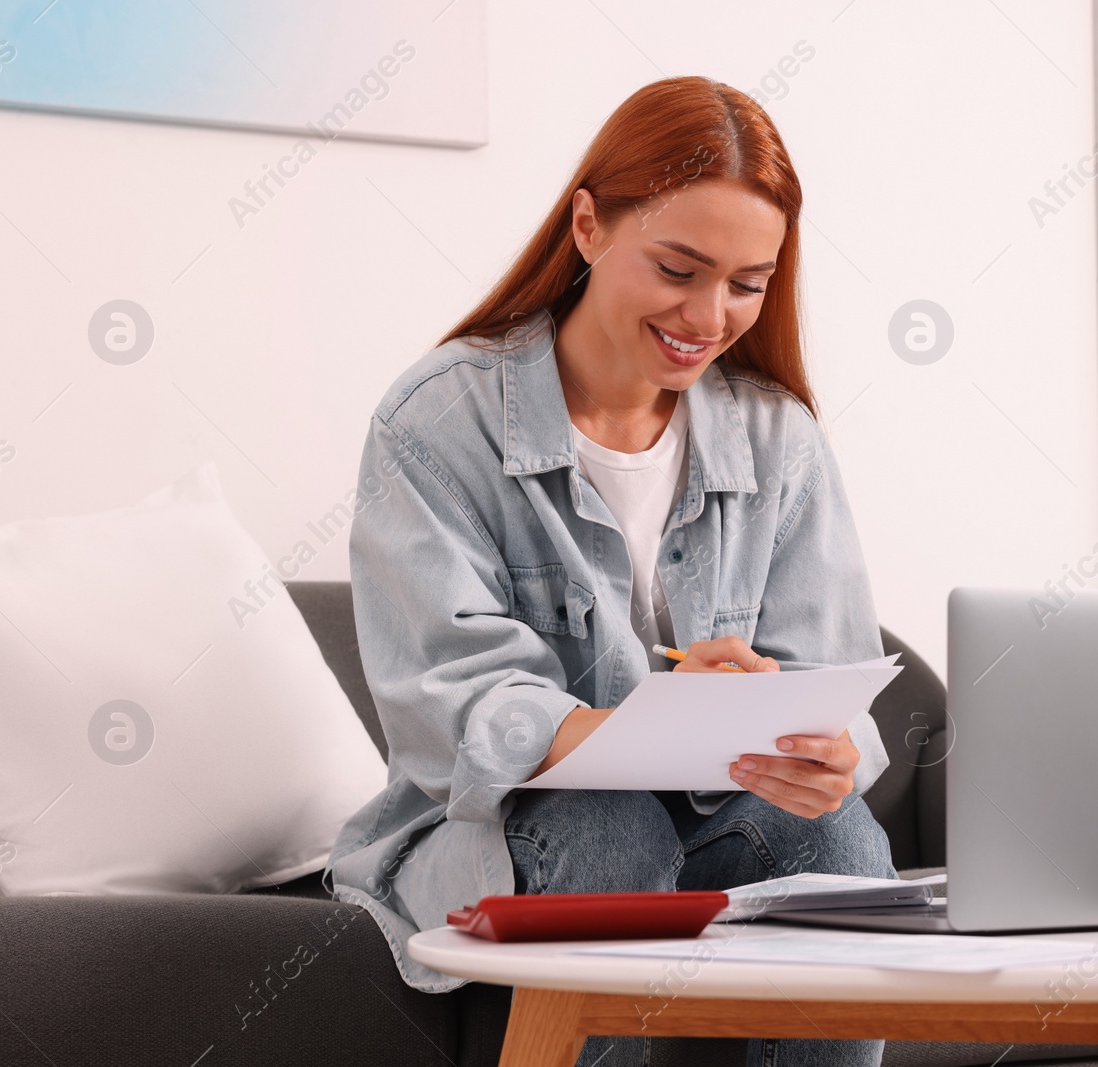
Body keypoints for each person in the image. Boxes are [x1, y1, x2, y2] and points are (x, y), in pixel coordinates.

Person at [325, 75, 895, 1067]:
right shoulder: (435, 422)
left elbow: (828, 678)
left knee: (837, 836)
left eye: (748, 284)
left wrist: (821, 748)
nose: (710, 315)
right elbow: (453, 708)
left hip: (711, 820)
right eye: (678, 267)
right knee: (605, 817)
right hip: (495, 832)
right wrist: (650, 721)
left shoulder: (778, 439)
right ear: (587, 225)